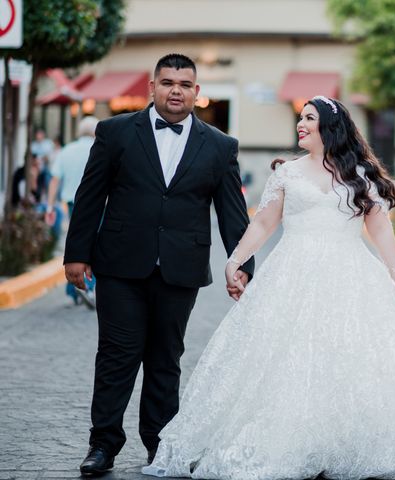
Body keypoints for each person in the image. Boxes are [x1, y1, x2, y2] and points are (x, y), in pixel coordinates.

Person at [142, 97, 395, 479]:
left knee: (354, 359)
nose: (301, 124)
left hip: (350, 272)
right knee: (288, 360)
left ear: (329, 127)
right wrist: (235, 259)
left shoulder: (359, 175)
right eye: (300, 118)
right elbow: (263, 223)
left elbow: (379, 226)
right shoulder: (287, 173)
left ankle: (347, 441)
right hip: (292, 275)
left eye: (309, 118)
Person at [63, 53, 254, 476]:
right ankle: (103, 444)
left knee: (166, 359)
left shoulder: (221, 146)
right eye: (167, 82)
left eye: (184, 84)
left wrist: (243, 264)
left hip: (180, 268)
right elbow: (91, 194)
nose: (175, 90)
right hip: (119, 265)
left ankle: (160, 446)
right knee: (117, 355)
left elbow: (233, 213)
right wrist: (77, 254)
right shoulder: (115, 132)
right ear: (152, 87)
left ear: (196, 93)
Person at [46, 116, 99, 308]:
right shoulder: (99, 148)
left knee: (74, 242)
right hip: (96, 203)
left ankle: (72, 290)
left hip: (72, 202)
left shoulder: (66, 150)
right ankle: (89, 287)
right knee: (94, 243)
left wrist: (50, 206)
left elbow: (54, 179)